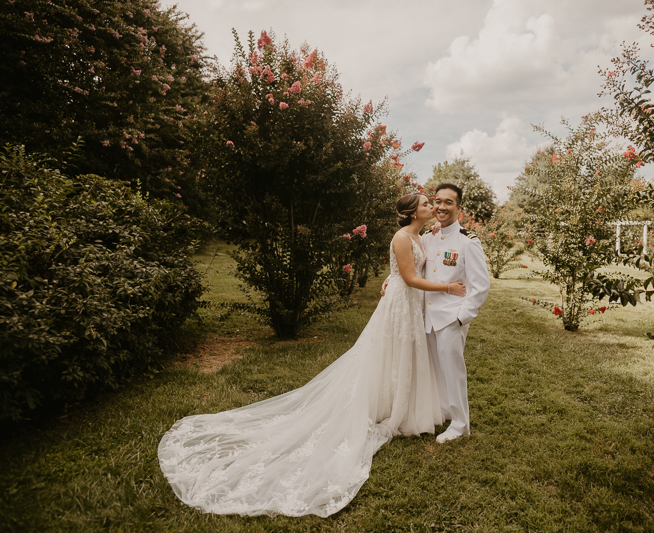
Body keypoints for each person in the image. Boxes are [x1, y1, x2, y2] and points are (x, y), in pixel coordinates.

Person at [158, 192, 466, 517]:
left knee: (400, 357)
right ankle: (385, 406)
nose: (432, 207)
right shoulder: (402, 237)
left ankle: (394, 404)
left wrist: (399, 276)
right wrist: (448, 288)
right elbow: (408, 277)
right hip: (400, 305)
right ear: (411, 212)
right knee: (390, 355)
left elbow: (406, 272)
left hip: (407, 303)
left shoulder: (420, 235)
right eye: (425, 204)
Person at [382, 183, 490, 443]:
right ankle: (444, 411)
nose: (441, 207)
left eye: (448, 202)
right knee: (435, 370)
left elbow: (480, 286)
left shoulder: (468, 242)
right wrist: (391, 277)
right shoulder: (428, 237)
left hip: (451, 317)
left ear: (458, 207)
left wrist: (462, 317)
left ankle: (461, 424)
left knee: (453, 371)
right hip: (425, 316)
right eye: (437, 201)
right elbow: (413, 267)